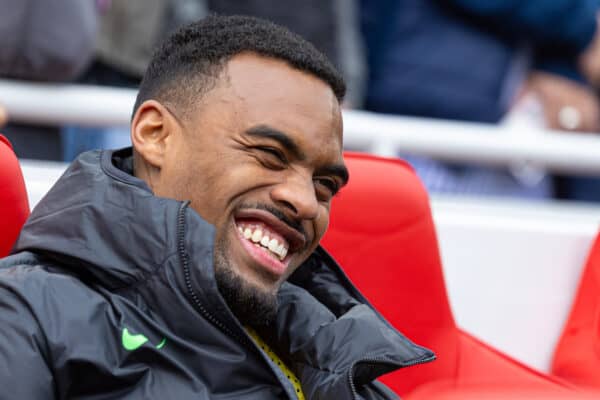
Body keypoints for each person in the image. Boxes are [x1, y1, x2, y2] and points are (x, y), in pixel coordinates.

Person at [0, 16, 434, 399]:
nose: (304, 202)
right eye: (269, 155)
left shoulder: (326, 349)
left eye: (324, 186)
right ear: (155, 134)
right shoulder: (26, 315)